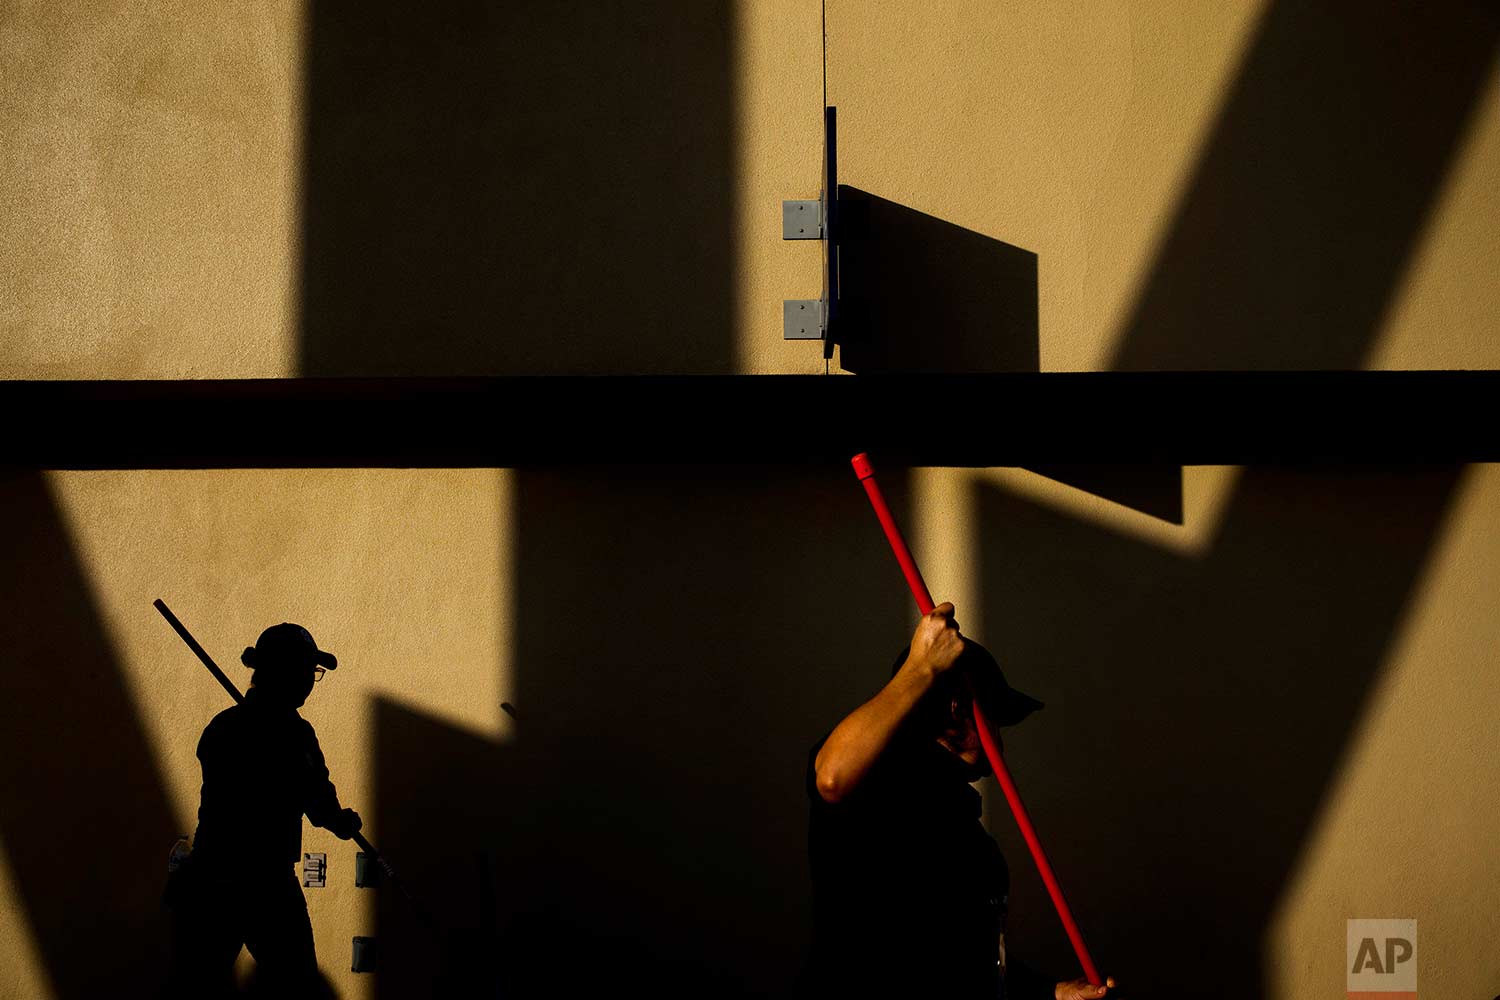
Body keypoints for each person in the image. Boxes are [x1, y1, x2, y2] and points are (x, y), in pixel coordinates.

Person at [803, 602, 1117, 999]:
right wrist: (923, 669)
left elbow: (960, 964)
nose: (1000, 745)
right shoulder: (880, 785)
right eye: (995, 721)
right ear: (956, 711)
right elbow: (832, 776)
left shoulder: (964, 830)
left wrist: (1052, 994)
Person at [164, 622, 362, 998]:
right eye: (306, 670)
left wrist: (339, 819)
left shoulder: (241, 727)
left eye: (312, 672)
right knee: (294, 987)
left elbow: (319, 803)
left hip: (229, 880)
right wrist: (339, 819)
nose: (309, 680)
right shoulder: (274, 733)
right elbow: (315, 802)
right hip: (249, 884)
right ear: (280, 672)